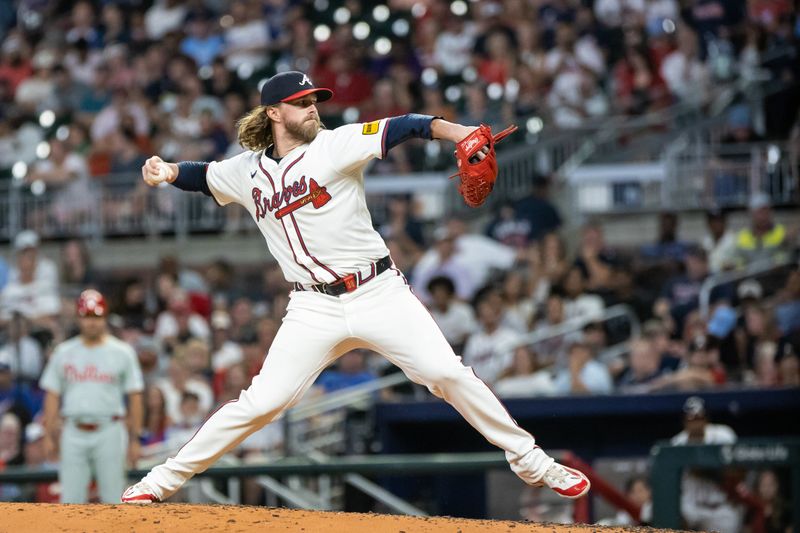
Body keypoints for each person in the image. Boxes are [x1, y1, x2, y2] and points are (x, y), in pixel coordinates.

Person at [122, 70, 590, 503]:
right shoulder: (245, 171)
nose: (312, 108)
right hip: (312, 307)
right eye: (300, 102)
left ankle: (533, 462)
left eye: (313, 100)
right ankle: (161, 481)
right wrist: (167, 172)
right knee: (261, 403)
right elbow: (203, 176)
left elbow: (406, 125)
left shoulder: (336, 144)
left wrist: (461, 132)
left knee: (447, 375)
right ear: (273, 113)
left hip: (377, 291)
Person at [39, 289, 144, 503]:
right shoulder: (64, 352)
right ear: (79, 319)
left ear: (105, 317)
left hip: (110, 429)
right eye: (87, 317)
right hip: (73, 429)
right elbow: (52, 395)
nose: (92, 323)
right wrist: (49, 435)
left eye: (96, 317)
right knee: (70, 500)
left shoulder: (122, 351)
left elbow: (135, 396)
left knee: (114, 499)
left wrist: (134, 439)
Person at [670, 396, 743, 533]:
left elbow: (740, 470)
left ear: (706, 419)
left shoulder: (723, 435)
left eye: (699, 418)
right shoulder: (677, 443)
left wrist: (708, 469)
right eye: (691, 419)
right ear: (684, 422)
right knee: (675, 514)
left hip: (719, 506)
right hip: (691, 507)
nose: (696, 424)